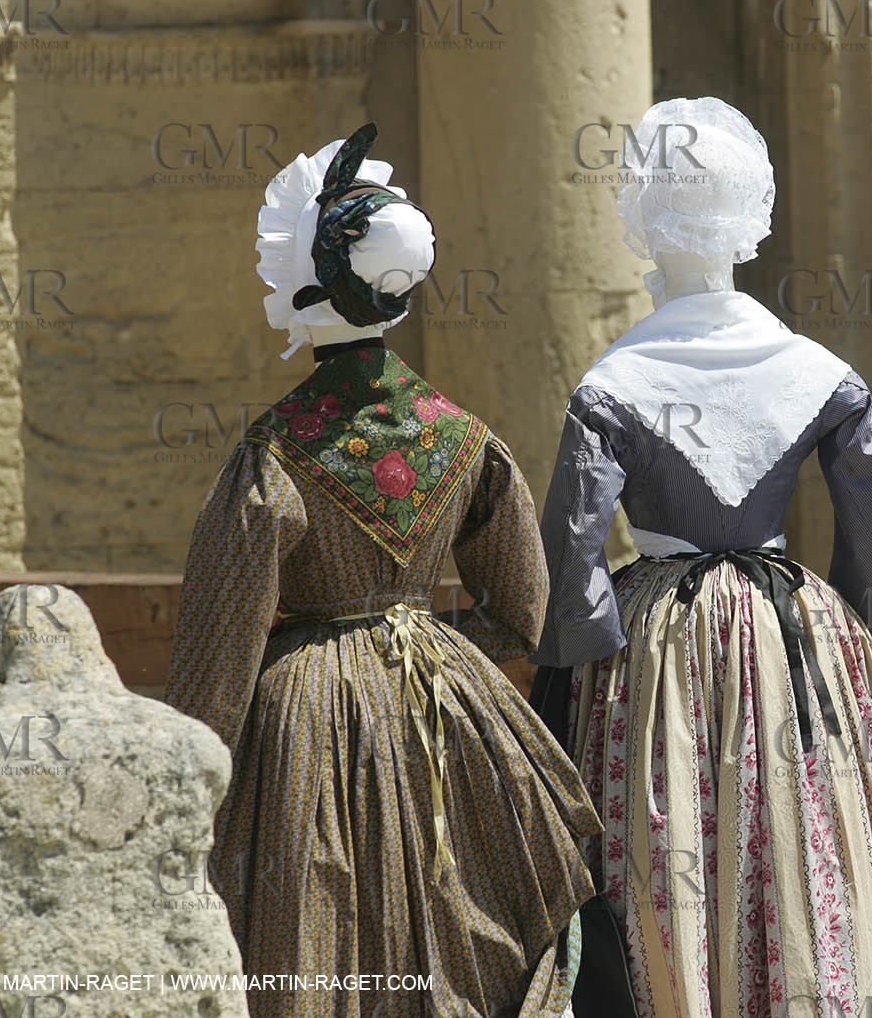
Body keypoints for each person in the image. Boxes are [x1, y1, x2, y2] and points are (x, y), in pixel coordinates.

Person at [531, 98, 872, 1017]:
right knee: (811, 828)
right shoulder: (815, 368)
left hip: (668, 650)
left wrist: (584, 649)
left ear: (646, 224)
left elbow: (573, 548)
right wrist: (862, 626)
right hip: (800, 640)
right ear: (747, 220)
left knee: (674, 841)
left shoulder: (614, 380)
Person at [167, 123, 597, 1018]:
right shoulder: (466, 437)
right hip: (446, 700)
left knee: (310, 932)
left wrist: (191, 777)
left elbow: (216, 662)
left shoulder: (274, 453)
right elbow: (521, 608)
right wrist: (432, 644)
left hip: (304, 724)